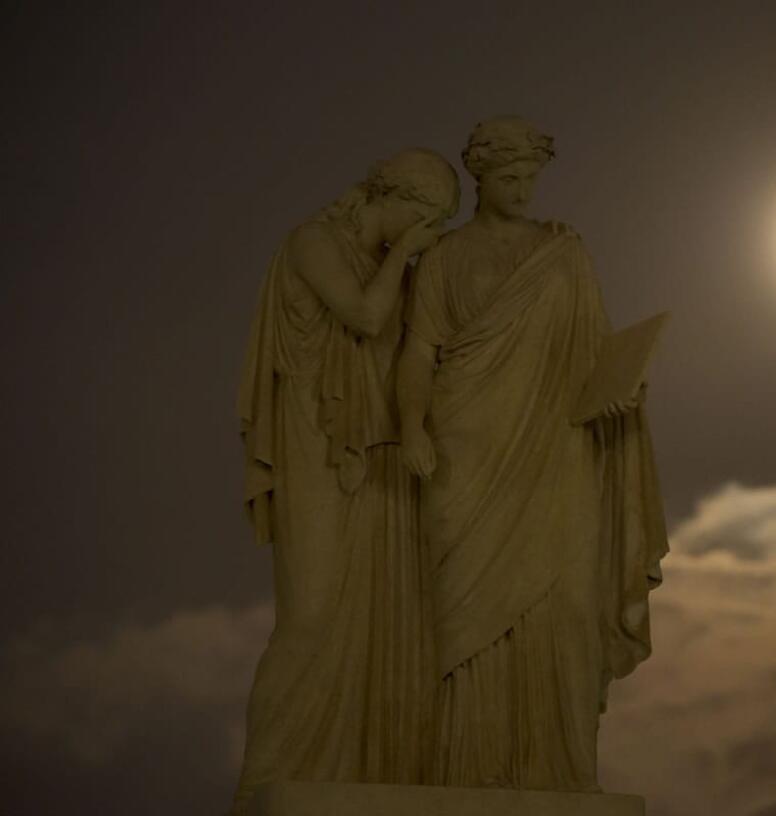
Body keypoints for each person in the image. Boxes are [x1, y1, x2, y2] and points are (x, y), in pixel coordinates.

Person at [398, 117, 668, 792]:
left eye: (529, 177)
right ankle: (466, 774)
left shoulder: (564, 255)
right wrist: (410, 425)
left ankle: (559, 772)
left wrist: (618, 394)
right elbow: (417, 354)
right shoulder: (443, 259)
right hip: (466, 452)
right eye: (507, 178)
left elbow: (595, 355)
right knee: (463, 622)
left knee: (565, 607)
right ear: (480, 179)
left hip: (556, 452)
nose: (521, 189)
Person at [233, 149, 459, 813]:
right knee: (307, 617)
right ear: (401, 203)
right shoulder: (314, 242)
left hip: (379, 457)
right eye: (429, 220)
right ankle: (260, 781)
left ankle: (361, 762)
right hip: (316, 446)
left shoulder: (401, 268)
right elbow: (364, 316)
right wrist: (404, 255)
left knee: (379, 616)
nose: (430, 235)